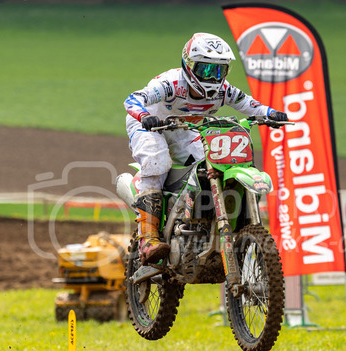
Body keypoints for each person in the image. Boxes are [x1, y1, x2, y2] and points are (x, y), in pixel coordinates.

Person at [123, 32, 288, 264]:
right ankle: (148, 238)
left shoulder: (224, 90)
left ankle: (197, 222)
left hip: (185, 129)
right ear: (189, 64)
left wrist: (271, 114)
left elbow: (250, 104)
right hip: (149, 124)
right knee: (157, 161)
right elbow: (132, 99)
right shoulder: (171, 84)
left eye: (218, 71)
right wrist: (144, 116)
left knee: (206, 163)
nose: (212, 77)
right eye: (206, 69)